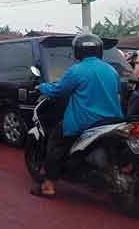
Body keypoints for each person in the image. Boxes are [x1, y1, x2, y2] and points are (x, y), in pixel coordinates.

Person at [32, 34, 123, 198]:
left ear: (78, 51)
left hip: (85, 121)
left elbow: (58, 90)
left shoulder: (77, 70)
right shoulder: (111, 70)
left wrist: (42, 87)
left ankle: (48, 185)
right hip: (113, 120)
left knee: (56, 141)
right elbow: (117, 91)